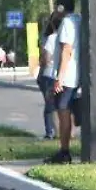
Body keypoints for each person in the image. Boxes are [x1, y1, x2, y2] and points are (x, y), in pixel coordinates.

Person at [50, 0, 81, 162]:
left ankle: (64, 151)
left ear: (60, 7)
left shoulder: (67, 23)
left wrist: (59, 78)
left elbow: (66, 50)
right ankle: (64, 150)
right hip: (75, 75)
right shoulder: (78, 20)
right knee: (67, 112)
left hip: (68, 77)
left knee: (63, 112)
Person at [36, 11, 63, 140]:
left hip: (50, 74)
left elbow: (45, 60)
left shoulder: (51, 38)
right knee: (62, 105)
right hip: (64, 75)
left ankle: (51, 132)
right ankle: (63, 132)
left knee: (50, 106)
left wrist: (41, 63)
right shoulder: (71, 38)